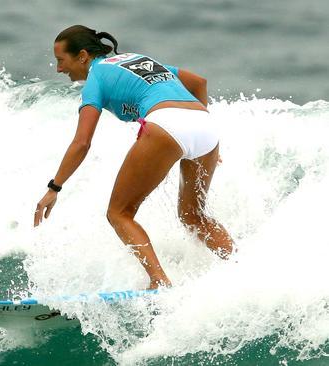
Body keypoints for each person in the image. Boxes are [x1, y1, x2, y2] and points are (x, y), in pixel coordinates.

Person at [33, 25, 234, 289]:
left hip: (167, 124)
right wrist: (197, 134)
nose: (59, 69)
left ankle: (159, 281)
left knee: (119, 213)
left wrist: (54, 187)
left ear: (82, 56)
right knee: (193, 216)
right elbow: (199, 82)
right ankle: (240, 268)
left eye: (61, 60)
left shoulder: (97, 77)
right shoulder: (136, 59)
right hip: (206, 127)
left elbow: (82, 142)